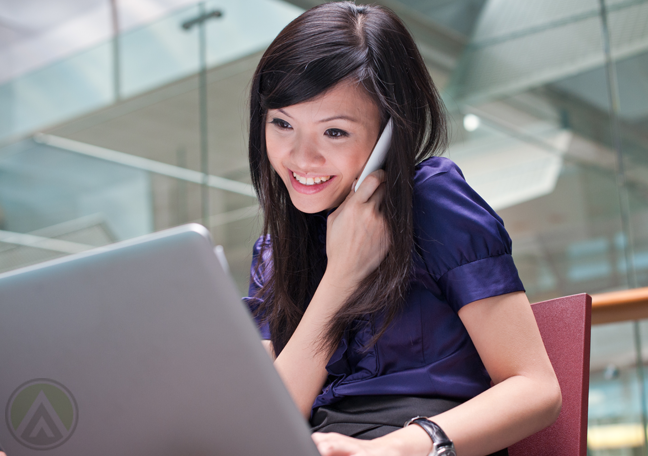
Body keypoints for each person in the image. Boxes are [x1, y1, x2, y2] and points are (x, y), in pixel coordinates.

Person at [244, 2, 561, 456]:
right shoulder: (276, 251)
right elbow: (266, 422)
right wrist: (342, 277)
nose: (300, 157)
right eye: (282, 124)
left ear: (391, 131)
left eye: (334, 132)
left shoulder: (432, 203)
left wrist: (393, 450)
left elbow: (536, 389)